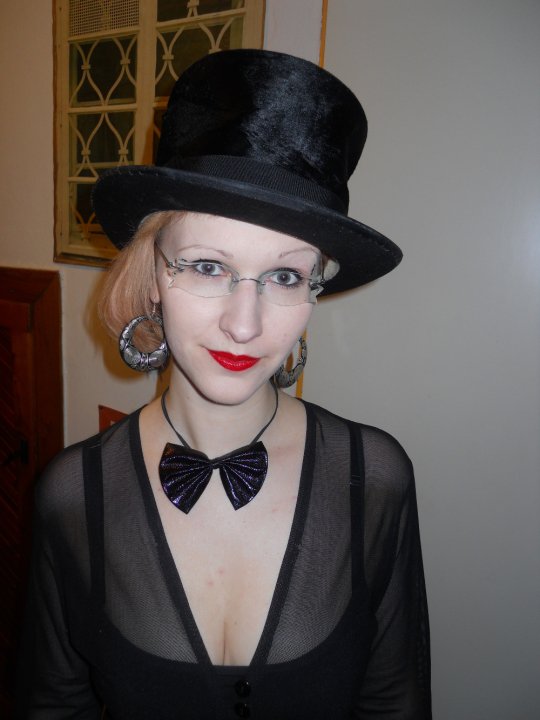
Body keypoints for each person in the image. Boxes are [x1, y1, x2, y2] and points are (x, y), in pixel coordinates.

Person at [17, 50, 431, 719]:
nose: (245, 325)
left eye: (285, 276)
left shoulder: (375, 477)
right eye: (208, 266)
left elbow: (394, 699)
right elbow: (55, 705)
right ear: (154, 275)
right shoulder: (72, 495)